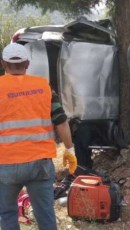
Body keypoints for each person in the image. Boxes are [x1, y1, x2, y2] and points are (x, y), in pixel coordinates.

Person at [0, 43, 77, 230]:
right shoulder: (43, 87)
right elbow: (61, 121)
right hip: (40, 164)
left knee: (7, 213)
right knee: (45, 213)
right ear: (27, 63)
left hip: (6, 164)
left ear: (3, 64)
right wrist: (69, 149)